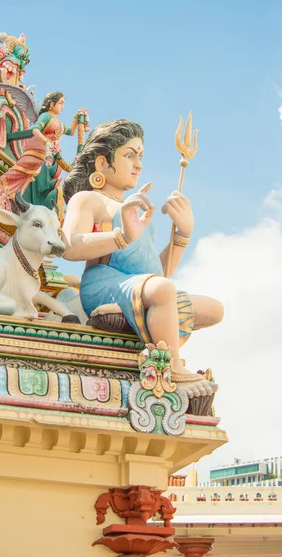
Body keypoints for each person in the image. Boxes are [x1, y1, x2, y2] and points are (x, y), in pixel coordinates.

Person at [62, 120, 223, 397]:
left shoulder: (136, 210)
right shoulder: (89, 200)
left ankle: (144, 321)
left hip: (141, 287)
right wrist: (120, 236)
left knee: (213, 309)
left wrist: (182, 234)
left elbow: (157, 274)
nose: (138, 164)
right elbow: (69, 246)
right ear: (102, 164)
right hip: (103, 285)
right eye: (129, 155)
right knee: (161, 291)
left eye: (141, 156)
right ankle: (171, 368)